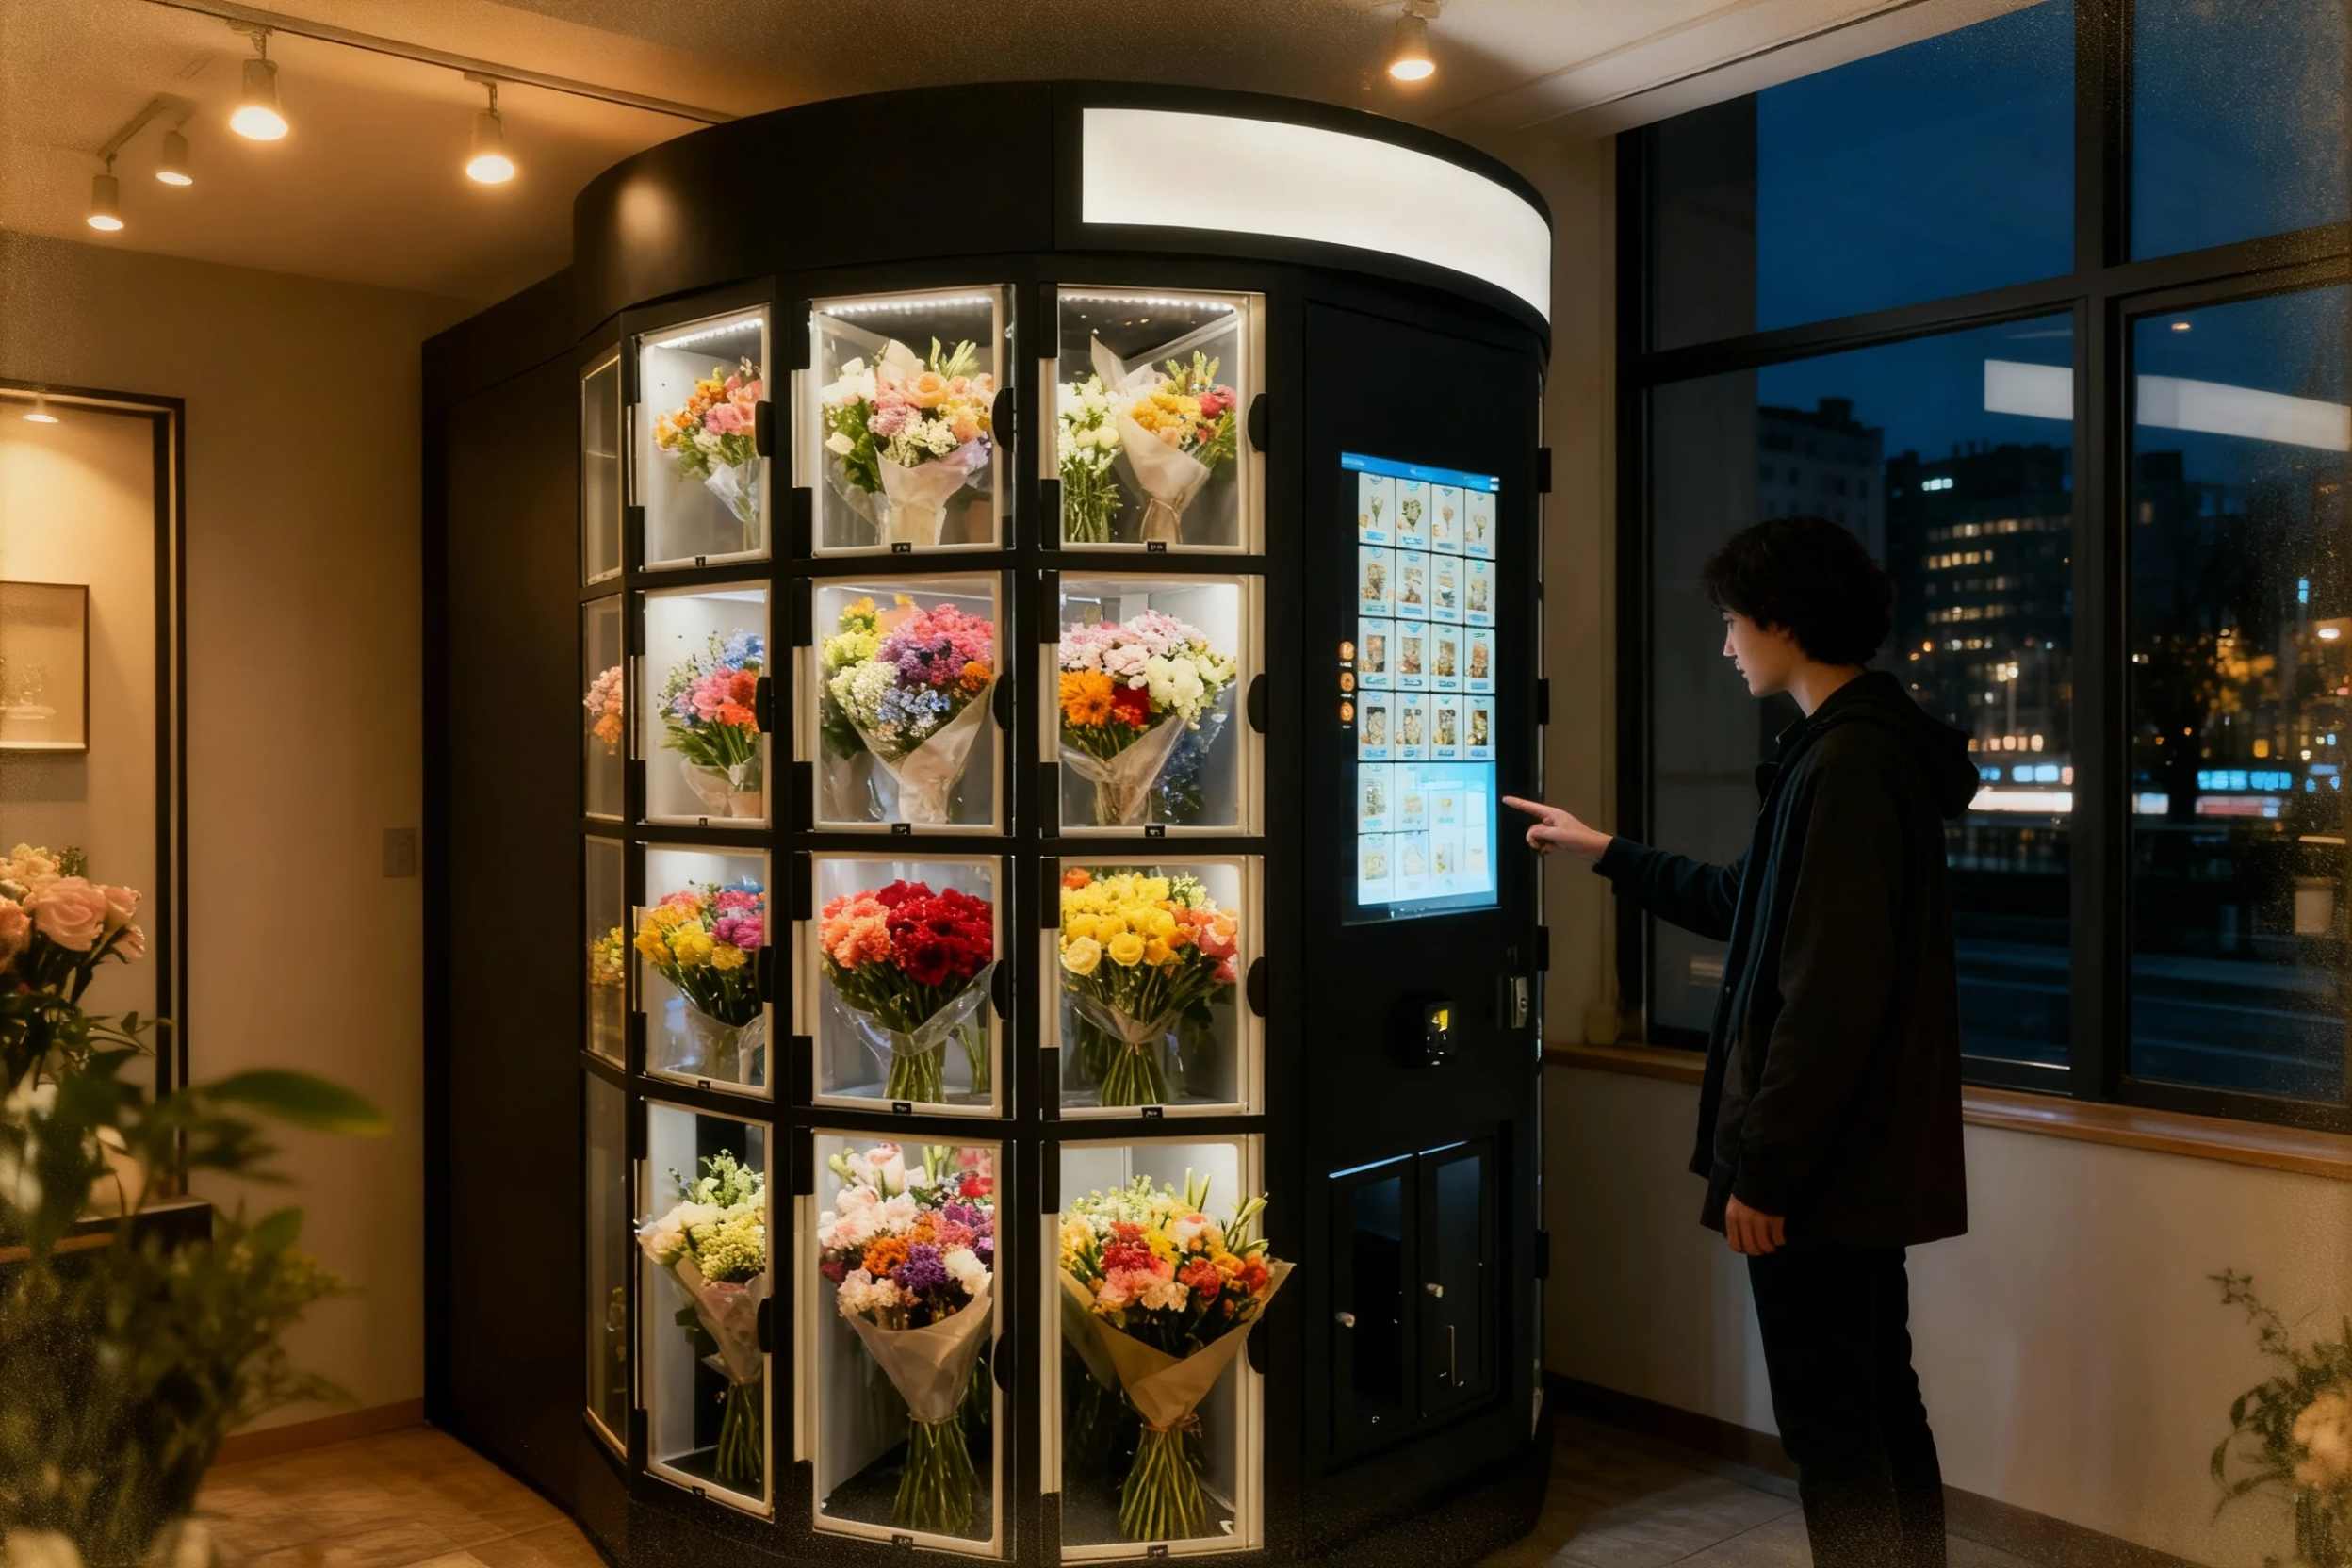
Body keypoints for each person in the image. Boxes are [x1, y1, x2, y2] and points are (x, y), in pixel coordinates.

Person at [1506, 514, 1977, 1568]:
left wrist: (1766, 1172)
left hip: (1822, 1169)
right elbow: (1747, 904)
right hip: (1857, 1158)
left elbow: (1829, 997)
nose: (1725, 645)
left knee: (1834, 1430)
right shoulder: (1856, 750)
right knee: (1876, 1401)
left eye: (1732, 621)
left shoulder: (1847, 764)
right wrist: (1602, 849)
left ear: (1785, 621)